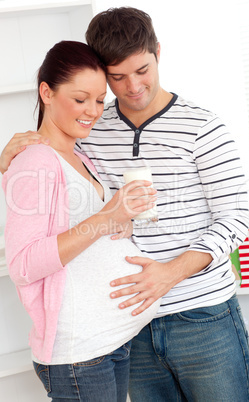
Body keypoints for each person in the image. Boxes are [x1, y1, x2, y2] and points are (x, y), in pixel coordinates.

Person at [0, 7, 249, 402]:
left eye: (142, 70)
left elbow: (237, 217)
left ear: (157, 52)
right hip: (127, 326)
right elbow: (50, 176)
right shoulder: (90, 125)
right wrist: (9, 155)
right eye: (117, 78)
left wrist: (171, 273)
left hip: (201, 315)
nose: (133, 87)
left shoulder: (202, 127)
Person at [2, 40, 160, 402]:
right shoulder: (37, 160)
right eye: (80, 99)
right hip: (80, 355)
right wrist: (107, 217)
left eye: (99, 99)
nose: (93, 111)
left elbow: (81, 231)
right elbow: (24, 264)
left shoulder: (79, 156)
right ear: (46, 91)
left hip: (109, 343)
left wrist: (121, 222)